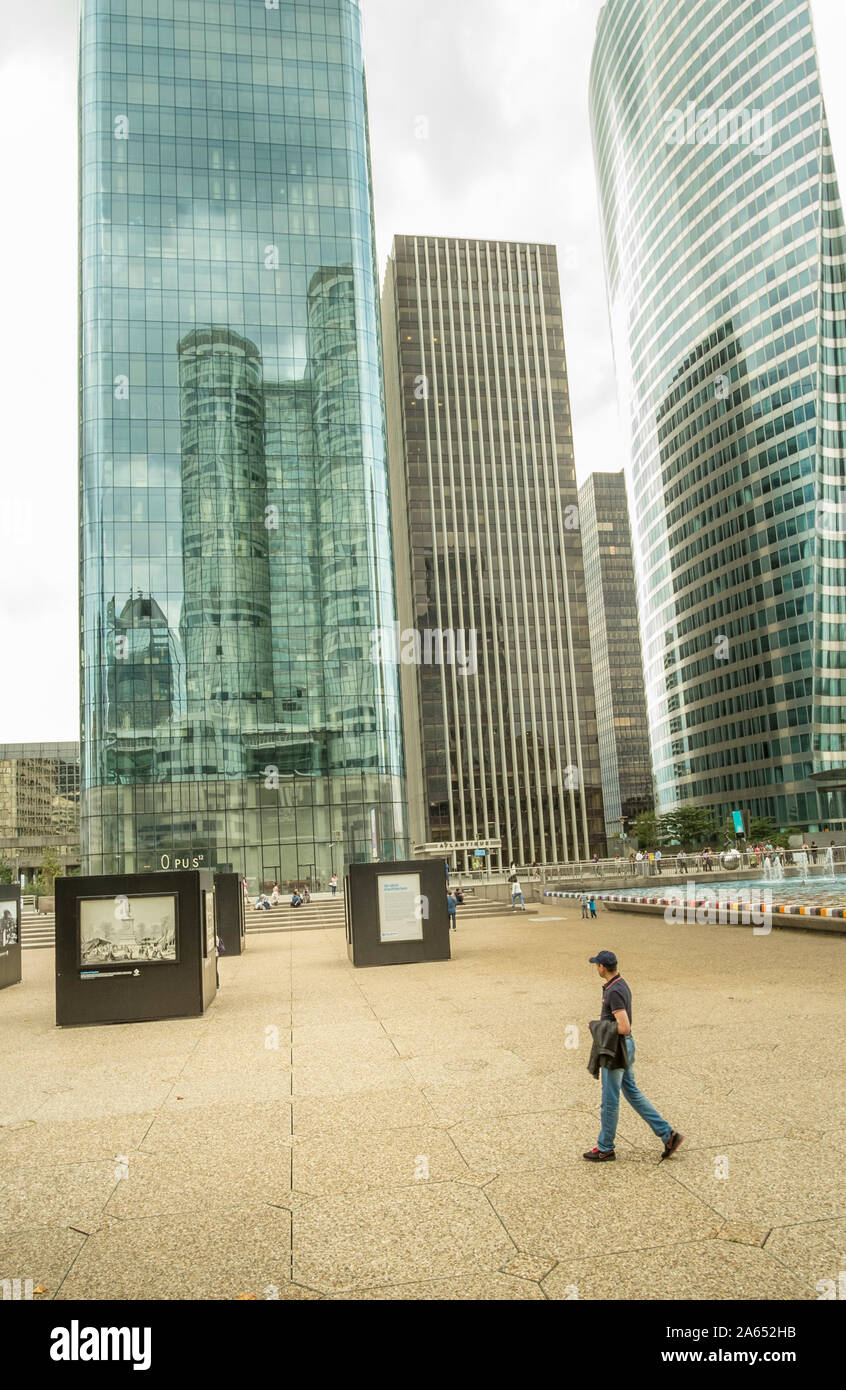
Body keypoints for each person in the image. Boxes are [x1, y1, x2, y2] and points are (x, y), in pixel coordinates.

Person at [583, 949, 683, 1163]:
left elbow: (624, 1026)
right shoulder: (620, 983)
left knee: (609, 1101)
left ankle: (605, 1147)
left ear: (602, 967)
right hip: (624, 1047)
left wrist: (595, 1025)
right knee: (633, 1093)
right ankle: (668, 1135)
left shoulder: (613, 991)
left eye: (596, 965)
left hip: (616, 1050)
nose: (596, 968)